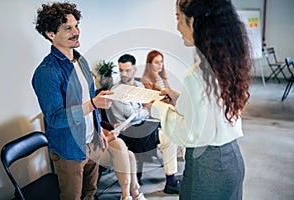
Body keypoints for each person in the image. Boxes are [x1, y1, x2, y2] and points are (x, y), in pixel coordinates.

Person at [145, 0, 252, 199]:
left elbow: (187, 133)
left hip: (207, 167)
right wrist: (179, 98)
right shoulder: (225, 63)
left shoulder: (196, 75)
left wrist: (156, 107)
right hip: (233, 159)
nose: (177, 26)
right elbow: (211, 109)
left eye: (178, 18)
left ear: (193, 21)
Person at [32, 2, 113, 199]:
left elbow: (90, 97)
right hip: (69, 150)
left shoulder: (80, 60)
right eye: (68, 28)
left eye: (76, 26)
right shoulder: (47, 72)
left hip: (91, 142)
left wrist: (98, 130)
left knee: (90, 193)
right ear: (50, 34)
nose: (76, 32)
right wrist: (92, 105)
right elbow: (56, 119)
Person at [110, 54, 181, 194]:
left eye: (127, 70)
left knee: (170, 134)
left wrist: (146, 108)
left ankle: (171, 180)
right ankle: (171, 181)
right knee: (168, 137)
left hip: (143, 125)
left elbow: (148, 109)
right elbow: (132, 114)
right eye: (121, 70)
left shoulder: (140, 85)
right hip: (129, 131)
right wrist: (146, 107)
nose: (123, 74)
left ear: (134, 69)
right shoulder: (116, 90)